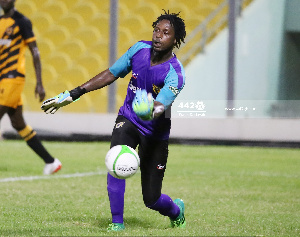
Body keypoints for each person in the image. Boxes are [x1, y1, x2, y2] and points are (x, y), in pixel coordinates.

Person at [41, 10, 186, 231]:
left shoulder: (175, 73)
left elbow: (161, 105)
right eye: (156, 30)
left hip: (155, 134)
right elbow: (111, 73)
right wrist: (75, 93)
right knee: (115, 160)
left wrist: (149, 111)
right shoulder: (139, 49)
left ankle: (176, 211)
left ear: (175, 40)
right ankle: (117, 222)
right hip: (127, 119)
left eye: (166, 33)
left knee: (151, 199)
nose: (158, 36)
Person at [0, 0, 61, 175]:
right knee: (18, 124)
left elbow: (34, 51)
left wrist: (40, 83)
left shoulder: (22, 22)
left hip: (13, 79)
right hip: (3, 79)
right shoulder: (1, 21)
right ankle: (51, 162)